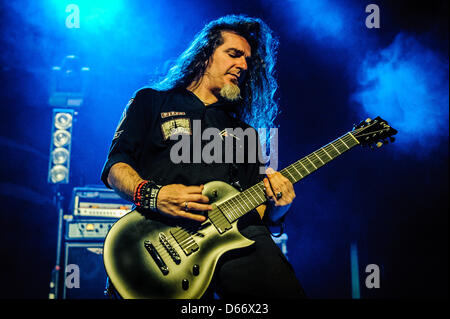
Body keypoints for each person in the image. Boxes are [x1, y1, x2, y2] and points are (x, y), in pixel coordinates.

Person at [101, 14, 306, 299]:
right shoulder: (152, 101)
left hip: (233, 245)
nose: (243, 66)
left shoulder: (245, 133)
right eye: (234, 54)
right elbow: (116, 167)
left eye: (247, 60)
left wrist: (279, 208)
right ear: (205, 54)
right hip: (159, 239)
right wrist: (155, 195)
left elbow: (258, 211)